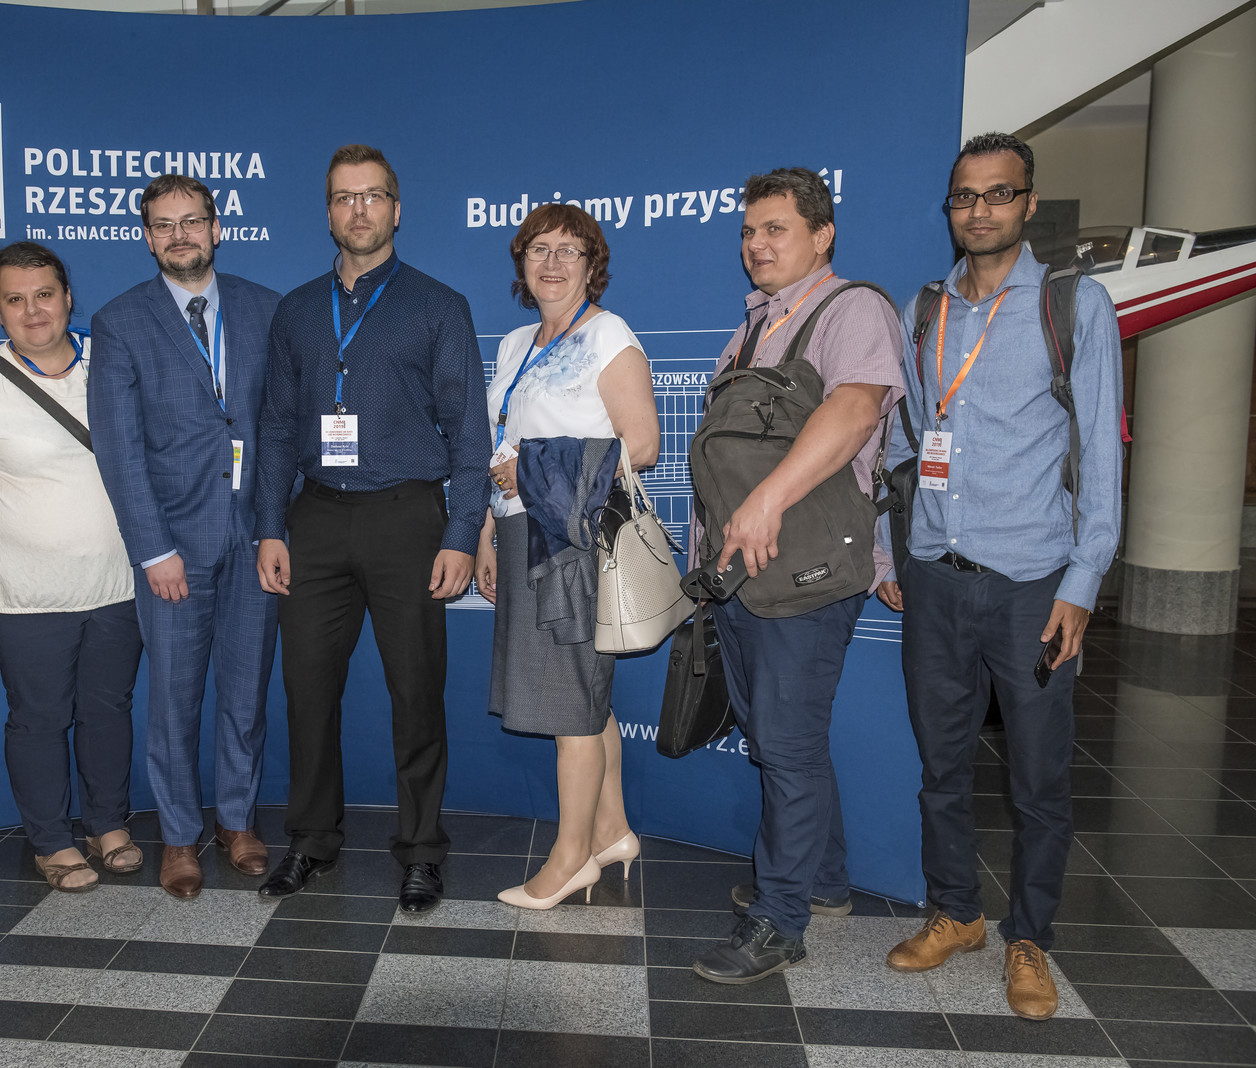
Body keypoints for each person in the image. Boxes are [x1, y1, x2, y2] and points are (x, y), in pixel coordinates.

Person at [877, 133, 1123, 1020]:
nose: (979, 210)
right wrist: (891, 552)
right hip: (936, 578)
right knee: (941, 765)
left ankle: (1030, 939)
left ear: (1028, 203)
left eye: (998, 194)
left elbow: (1102, 454)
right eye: (964, 196)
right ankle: (957, 912)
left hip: (1032, 586)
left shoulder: (1074, 305)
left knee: (1038, 779)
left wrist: (1082, 584)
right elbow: (906, 439)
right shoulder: (925, 308)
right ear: (949, 207)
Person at [253, 144, 489, 912]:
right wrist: (270, 526)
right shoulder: (296, 311)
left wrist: (461, 532)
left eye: (373, 195)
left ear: (396, 208)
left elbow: (469, 432)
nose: (359, 210)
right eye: (344, 197)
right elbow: (276, 427)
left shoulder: (438, 305)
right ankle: (311, 840)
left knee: (416, 693)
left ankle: (420, 850)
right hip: (315, 517)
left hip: (406, 518)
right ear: (328, 212)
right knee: (306, 691)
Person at [688, 168, 905, 983]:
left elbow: (854, 412)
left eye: (776, 228)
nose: (757, 243)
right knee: (784, 740)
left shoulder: (852, 310)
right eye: (749, 231)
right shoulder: (752, 327)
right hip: (743, 573)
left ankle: (781, 922)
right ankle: (822, 881)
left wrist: (766, 504)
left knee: (785, 744)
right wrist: (706, 558)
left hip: (807, 575)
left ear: (823, 235)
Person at [89, 175, 281, 898]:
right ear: (147, 238)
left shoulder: (266, 309)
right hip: (172, 545)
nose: (179, 235)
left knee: (246, 693)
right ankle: (177, 836)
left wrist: (276, 527)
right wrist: (153, 549)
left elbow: (282, 427)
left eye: (191, 221)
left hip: (255, 539)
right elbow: (118, 448)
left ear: (216, 228)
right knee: (173, 700)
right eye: (163, 225)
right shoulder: (120, 321)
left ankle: (236, 821)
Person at [0, 242, 144, 894]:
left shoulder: (111, 361)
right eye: (15, 299)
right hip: (24, 593)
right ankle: (51, 840)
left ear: (68, 298)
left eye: (45, 294)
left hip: (117, 583)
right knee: (40, 718)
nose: (33, 311)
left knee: (107, 710)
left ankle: (108, 824)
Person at [476, 204, 659, 910]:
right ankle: (611, 832)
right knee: (585, 697)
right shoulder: (515, 343)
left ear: (591, 265)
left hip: (574, 540)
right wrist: (488, 533)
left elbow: (642, 444)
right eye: (539, 249)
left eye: (568, 251)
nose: (552, 263)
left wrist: (534, 471)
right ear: (522, 262)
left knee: (568, 706)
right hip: (520, 533)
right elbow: (500, 447)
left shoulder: (608, 335)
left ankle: (571, 858)